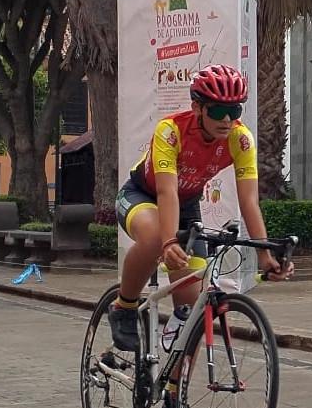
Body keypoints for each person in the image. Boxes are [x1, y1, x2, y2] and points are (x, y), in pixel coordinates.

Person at [109, 64, 293, 353]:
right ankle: (125, 306)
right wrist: (169, 241)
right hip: (142, 195)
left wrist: (264, 255)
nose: (227, 120)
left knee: (191, 315)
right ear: (197, 107)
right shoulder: (170, 131)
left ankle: (173, 393)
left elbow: (249, 202)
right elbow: (166, 191)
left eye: (235, 111)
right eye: (218, 112)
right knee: (156, 236)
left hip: (187, 205)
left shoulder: (240, 139)